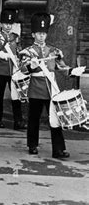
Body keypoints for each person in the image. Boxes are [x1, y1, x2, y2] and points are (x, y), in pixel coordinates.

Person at [19, 12, 84, 159]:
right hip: (36, 89)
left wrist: (73, 71)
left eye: (44, 33)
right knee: (34, 119)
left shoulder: (54, 51)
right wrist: (31, 66)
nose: (42, 36)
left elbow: (61, 67)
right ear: (33, 34)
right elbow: (22, 70)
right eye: (39, 33)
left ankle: (58, 149)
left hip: (51, 90)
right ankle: (33, 145)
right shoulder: (28, 52)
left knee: (56, 120)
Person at [0, 9, 26, 129]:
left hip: (13, 71)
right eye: (6, 23)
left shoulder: (15, 37)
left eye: (10, 24)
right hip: (1, 71)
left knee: (16, 96)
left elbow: (19, 51)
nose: (8, 26)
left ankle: (18, 121)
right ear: (1, 24)